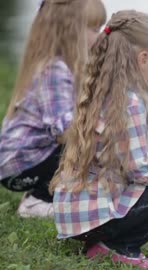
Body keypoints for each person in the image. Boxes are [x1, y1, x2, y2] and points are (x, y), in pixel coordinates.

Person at [50, 10, 148, 269]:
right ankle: (117, 247)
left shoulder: (102, 91)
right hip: (92, 220)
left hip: (74, 217)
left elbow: (127, 164)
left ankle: (105, 241)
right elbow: (140, 169)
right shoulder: (130, 103)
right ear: (144, 59)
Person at [0, 0, 106, 218]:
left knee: (89, 143)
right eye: (94, 29)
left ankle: (45, 194)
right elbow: (64, 131)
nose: (100, 36)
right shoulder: (54, 71)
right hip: (19, 167)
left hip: (27, 161)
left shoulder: (62, 67)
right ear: (71, 31)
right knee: (86, 145)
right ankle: (38, 200)